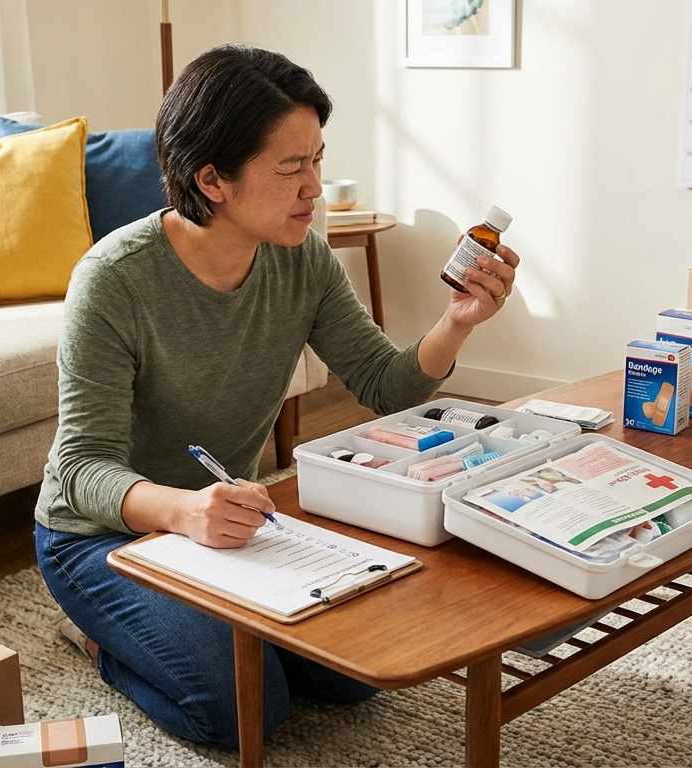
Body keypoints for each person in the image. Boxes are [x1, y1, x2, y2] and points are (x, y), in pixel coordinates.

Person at [33, 43, 520, 750]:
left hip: (226, 523)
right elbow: (81, 468)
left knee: (362, 674)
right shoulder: (114, 281)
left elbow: (386, 386)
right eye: (292, 167)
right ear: (212, 178)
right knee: (242, 712)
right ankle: (99, 642)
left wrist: (456, 322)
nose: (315, 188)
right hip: (101, 536)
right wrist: (185, 511)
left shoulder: (302, 259)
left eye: (317, 159)